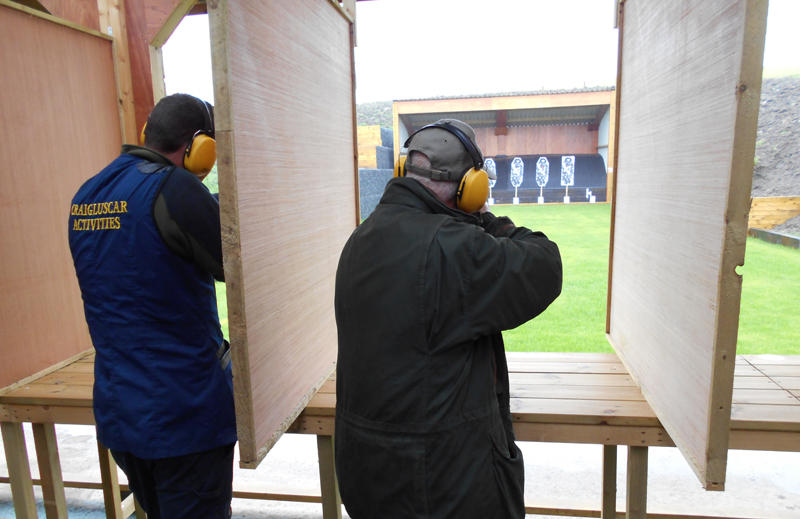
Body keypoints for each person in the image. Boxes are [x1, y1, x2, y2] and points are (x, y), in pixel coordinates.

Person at [334, 119, 563, 519]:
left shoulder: (360, 239)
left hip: (368, 477)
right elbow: (545, 265)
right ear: (470, 186)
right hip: (439, 487)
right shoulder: (454, 248)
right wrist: (487, 220)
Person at [68, 93, 236, 519]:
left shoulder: (89, 193)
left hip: (121, 411)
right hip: (184, 414)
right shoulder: (175, 188)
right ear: (200, 147)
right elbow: (236, 265)